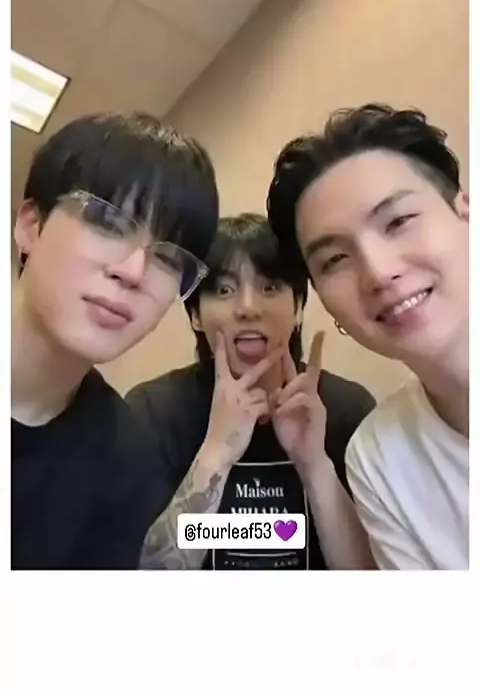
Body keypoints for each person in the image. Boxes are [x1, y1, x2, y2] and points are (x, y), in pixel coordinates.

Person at [12, 111, 219, 570]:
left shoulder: (125, 458)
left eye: (169, 259)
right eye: (107, 222)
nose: (133, 272)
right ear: (31, 224)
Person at [267, 103, 469, 570]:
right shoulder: (379, 454)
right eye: (335, 260)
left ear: (466, 214)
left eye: (398, 222)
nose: (378, 272)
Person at [126, 213, 376, 570]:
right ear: (195, 316)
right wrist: (215, 453)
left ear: (298, 308)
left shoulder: (346, 408)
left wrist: (315, 464)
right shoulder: (153, 411)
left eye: (269, 287)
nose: (247, 308)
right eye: (224, 290)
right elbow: (146, 579)